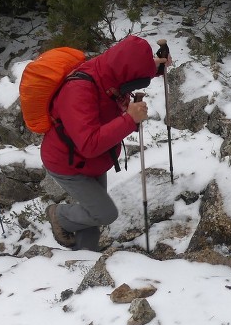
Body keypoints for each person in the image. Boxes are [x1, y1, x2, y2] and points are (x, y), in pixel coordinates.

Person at [42, 35, 170, 251]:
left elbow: (125, 77)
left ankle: (84, 261)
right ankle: (58, 215)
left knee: (92, 215)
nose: (132, 88)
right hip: (68, 163)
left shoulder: (109, 72)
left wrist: (155, 67)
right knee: (103, 213)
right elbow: (88, 143)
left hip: (95, 160)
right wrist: (129, 119)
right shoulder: (78, 91)